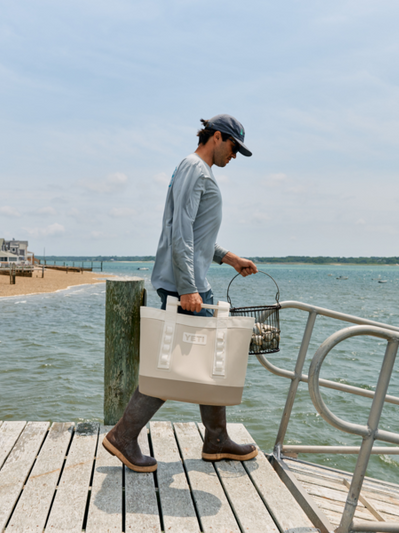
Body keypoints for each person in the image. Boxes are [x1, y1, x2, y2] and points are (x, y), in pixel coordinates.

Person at [103, 114, 259, 473]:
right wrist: (189, 287)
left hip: (191, 279)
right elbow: (180, 231)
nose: (234, 156)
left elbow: (197, 233)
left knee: (202, 359)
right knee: (175, 364)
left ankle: (216, 438)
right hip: (184, 284)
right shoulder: (195, 168)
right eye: (234, 147)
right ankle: (125, 435)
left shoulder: (197, 170)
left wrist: (227, 257)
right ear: (217, 137)